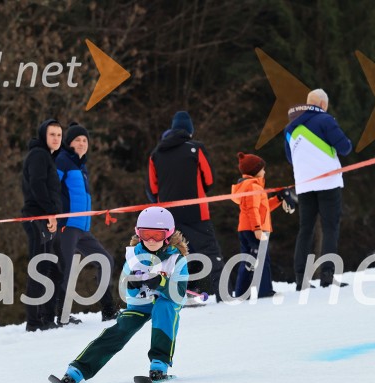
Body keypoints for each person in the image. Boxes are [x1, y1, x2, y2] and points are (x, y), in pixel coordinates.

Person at [55, 207, 188, 383]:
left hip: (166, 302)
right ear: (138, 233)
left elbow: (179, 296)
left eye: (157, 235)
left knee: (164, 309)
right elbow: (127, 293)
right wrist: (133, 287)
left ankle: (159, 365)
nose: (150, 240)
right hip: (140, 304)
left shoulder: (177, 259)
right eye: (145, 234)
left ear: (168, 235)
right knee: (122, 328)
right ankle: (77, 370)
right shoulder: (133, 257)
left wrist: (161, 283)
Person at [147, 111, 226, 301]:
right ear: (189, 130)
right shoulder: (196, 148)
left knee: (174, 255)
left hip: (167, 217)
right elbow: (210, 179)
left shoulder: (156, 154)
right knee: (209, 252)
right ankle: (223, 293)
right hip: (196, 211)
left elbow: (151, 189)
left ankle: (179, 295)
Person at [284, 89, 352, 289]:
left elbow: (290, 158)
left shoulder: (290, 128)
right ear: (322, 104)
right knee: (330, 227)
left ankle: (300, 279)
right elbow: (345, 147)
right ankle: (327, 276)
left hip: (304, 184)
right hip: (328, 182)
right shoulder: (325, 120)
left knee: (305, 229)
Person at [54, 122, 118, 323]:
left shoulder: (81, 166)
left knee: (105, 260)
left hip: (82, 227)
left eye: (84, 140)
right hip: (67, 225)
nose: (81, 143)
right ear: (69, 143)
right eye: (77, 140)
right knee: (64, 269)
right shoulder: (62, 160)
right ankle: (61, 316)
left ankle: (108, 311)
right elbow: (50, 188)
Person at [231, 152, 295, 299]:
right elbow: (252, 209)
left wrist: (278, 199)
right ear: (255, 170)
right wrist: (257, 229)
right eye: (262, 169)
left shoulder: (249, 186)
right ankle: (264, 290)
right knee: (262, 259)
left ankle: (241, 292)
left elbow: (262, 208)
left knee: (248, 259)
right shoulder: (253, 187)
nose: (264, 171)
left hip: (245, 228)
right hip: (255, 229)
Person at [21, 118, 64, 331]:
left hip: (45, 218)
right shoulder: (39, 155)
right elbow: (37, 184)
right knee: (40, 267)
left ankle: (47, 317)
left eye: (59, 134)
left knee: (52, 267)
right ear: (43, 136)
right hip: (38, 218)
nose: (56, 138)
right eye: (52, 134)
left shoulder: (47, 157)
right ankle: (34, 321)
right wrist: (50, 214)